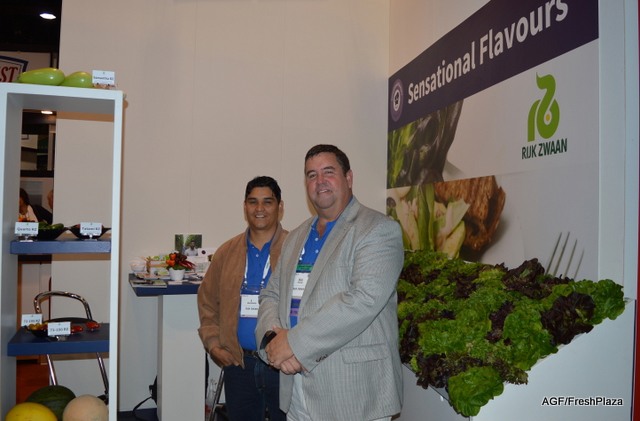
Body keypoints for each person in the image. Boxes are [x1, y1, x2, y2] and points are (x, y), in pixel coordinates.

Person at [256, 144, 405, 421]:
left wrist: (294, 344)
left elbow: (362, 300)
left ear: (348, 178)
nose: (320, 181)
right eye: (311, 175)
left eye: (328, 172)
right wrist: (272, 341)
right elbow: (271, 294)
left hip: (353, 394)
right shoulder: (296, 236)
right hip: (297, 391)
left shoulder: (378, 230)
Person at [197, 176, 288, 421]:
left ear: (280, 207)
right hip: (239, 365)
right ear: (245, 206)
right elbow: (207, 301)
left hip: (284, 364)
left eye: (267, 202)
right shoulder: (227, 252)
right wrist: (214, 344)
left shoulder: (295, 248)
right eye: (253, 202)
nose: (260, 209)